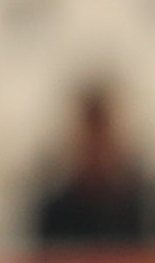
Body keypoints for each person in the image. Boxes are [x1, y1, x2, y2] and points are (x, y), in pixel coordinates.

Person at [29, 84, 148, 252]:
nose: (96, 148)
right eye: (90, 136)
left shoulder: (134, 206)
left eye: (102, 135)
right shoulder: (56, 210)